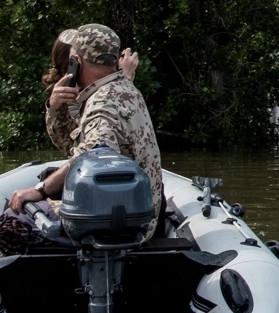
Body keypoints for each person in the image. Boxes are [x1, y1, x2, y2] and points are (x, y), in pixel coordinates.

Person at [9, 24, 164, 237]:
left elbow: (89, 156)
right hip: (136, 214)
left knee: (16, 215)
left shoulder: (102, 103)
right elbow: (72, 145)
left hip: (122, 223)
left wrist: (40, 190)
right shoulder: (125, 88)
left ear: (77, 62)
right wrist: (55, 108)